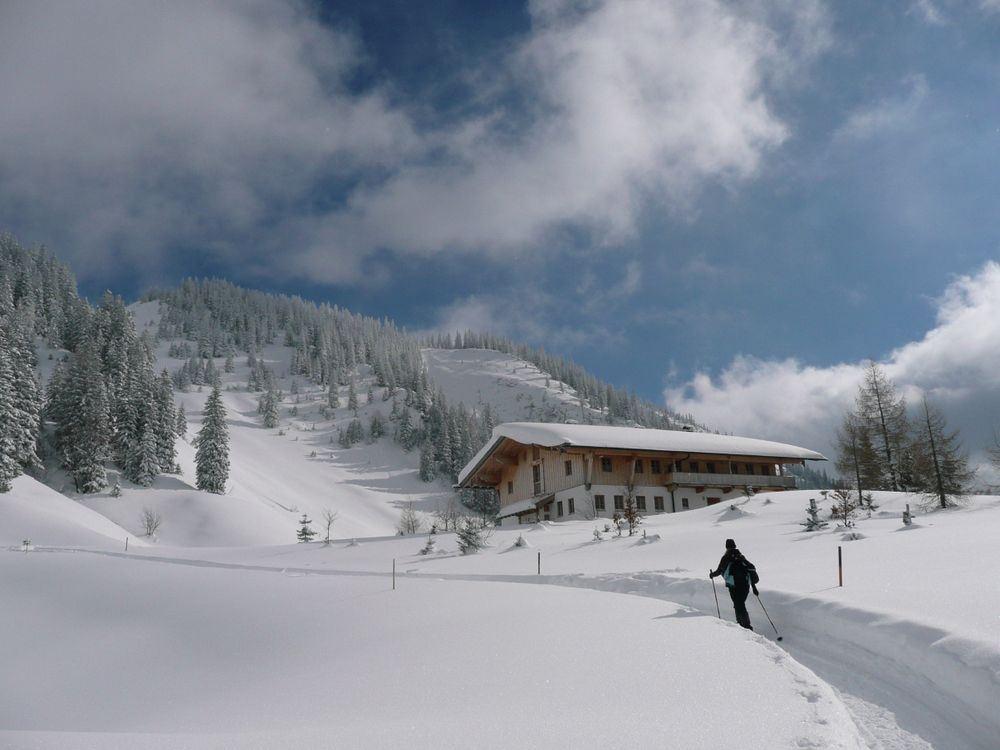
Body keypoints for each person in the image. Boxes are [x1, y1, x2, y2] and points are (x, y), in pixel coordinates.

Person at [710, 538, 758, 630]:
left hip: (733, 585)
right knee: (740, 603)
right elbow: (750, 568)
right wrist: (754, 586)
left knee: (738, 604)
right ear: (735, 546)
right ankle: (743, 624)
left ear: (726, 546)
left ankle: (745, 625)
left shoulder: (726, 557)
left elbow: (719, 570)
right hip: (745, 585)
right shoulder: (741, 556)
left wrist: (712, 575)